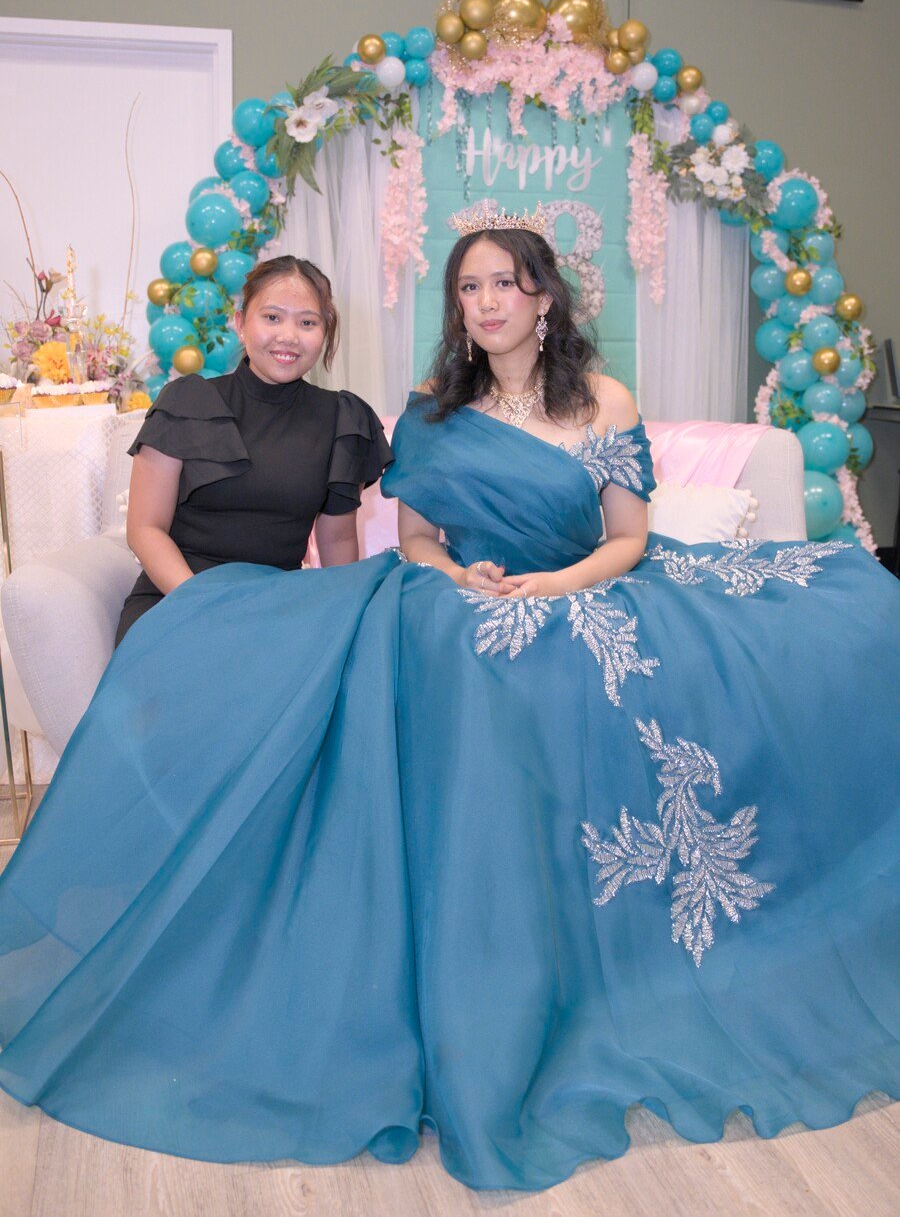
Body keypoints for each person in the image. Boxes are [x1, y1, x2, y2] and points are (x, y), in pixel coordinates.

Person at [0, 210, 896, 1193]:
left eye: (505, 283)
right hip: (463, 593)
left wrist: (554, 589)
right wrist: (462, 574)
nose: (486, 302)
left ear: (543, 296)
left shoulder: (603, 400)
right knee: (461, 657)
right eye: (469, 287)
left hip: (589, 585)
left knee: (817, 630)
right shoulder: (432, 410)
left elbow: (629, 539)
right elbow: (418, 540)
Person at [116, 254, 392, 643]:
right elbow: (145, 529)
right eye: (273, 317)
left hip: (278, 607)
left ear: (325, 332)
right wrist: (201, 601)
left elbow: (337, 540)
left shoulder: (342, 420)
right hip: (179, 596)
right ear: (241, 324)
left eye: (307, 322)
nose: (289, 336)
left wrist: (346, 620)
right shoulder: (186, 402)